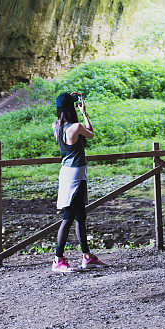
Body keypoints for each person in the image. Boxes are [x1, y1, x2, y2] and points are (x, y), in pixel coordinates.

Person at [51, 91, 105, 273]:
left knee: (80, 216)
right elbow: (91, 134)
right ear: (71, 108)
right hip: (76, 175)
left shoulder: (55, 127)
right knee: (68, 217)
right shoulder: (76, 127)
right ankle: (58, 259)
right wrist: (84, 112)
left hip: (68, 173)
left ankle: (87, 257)